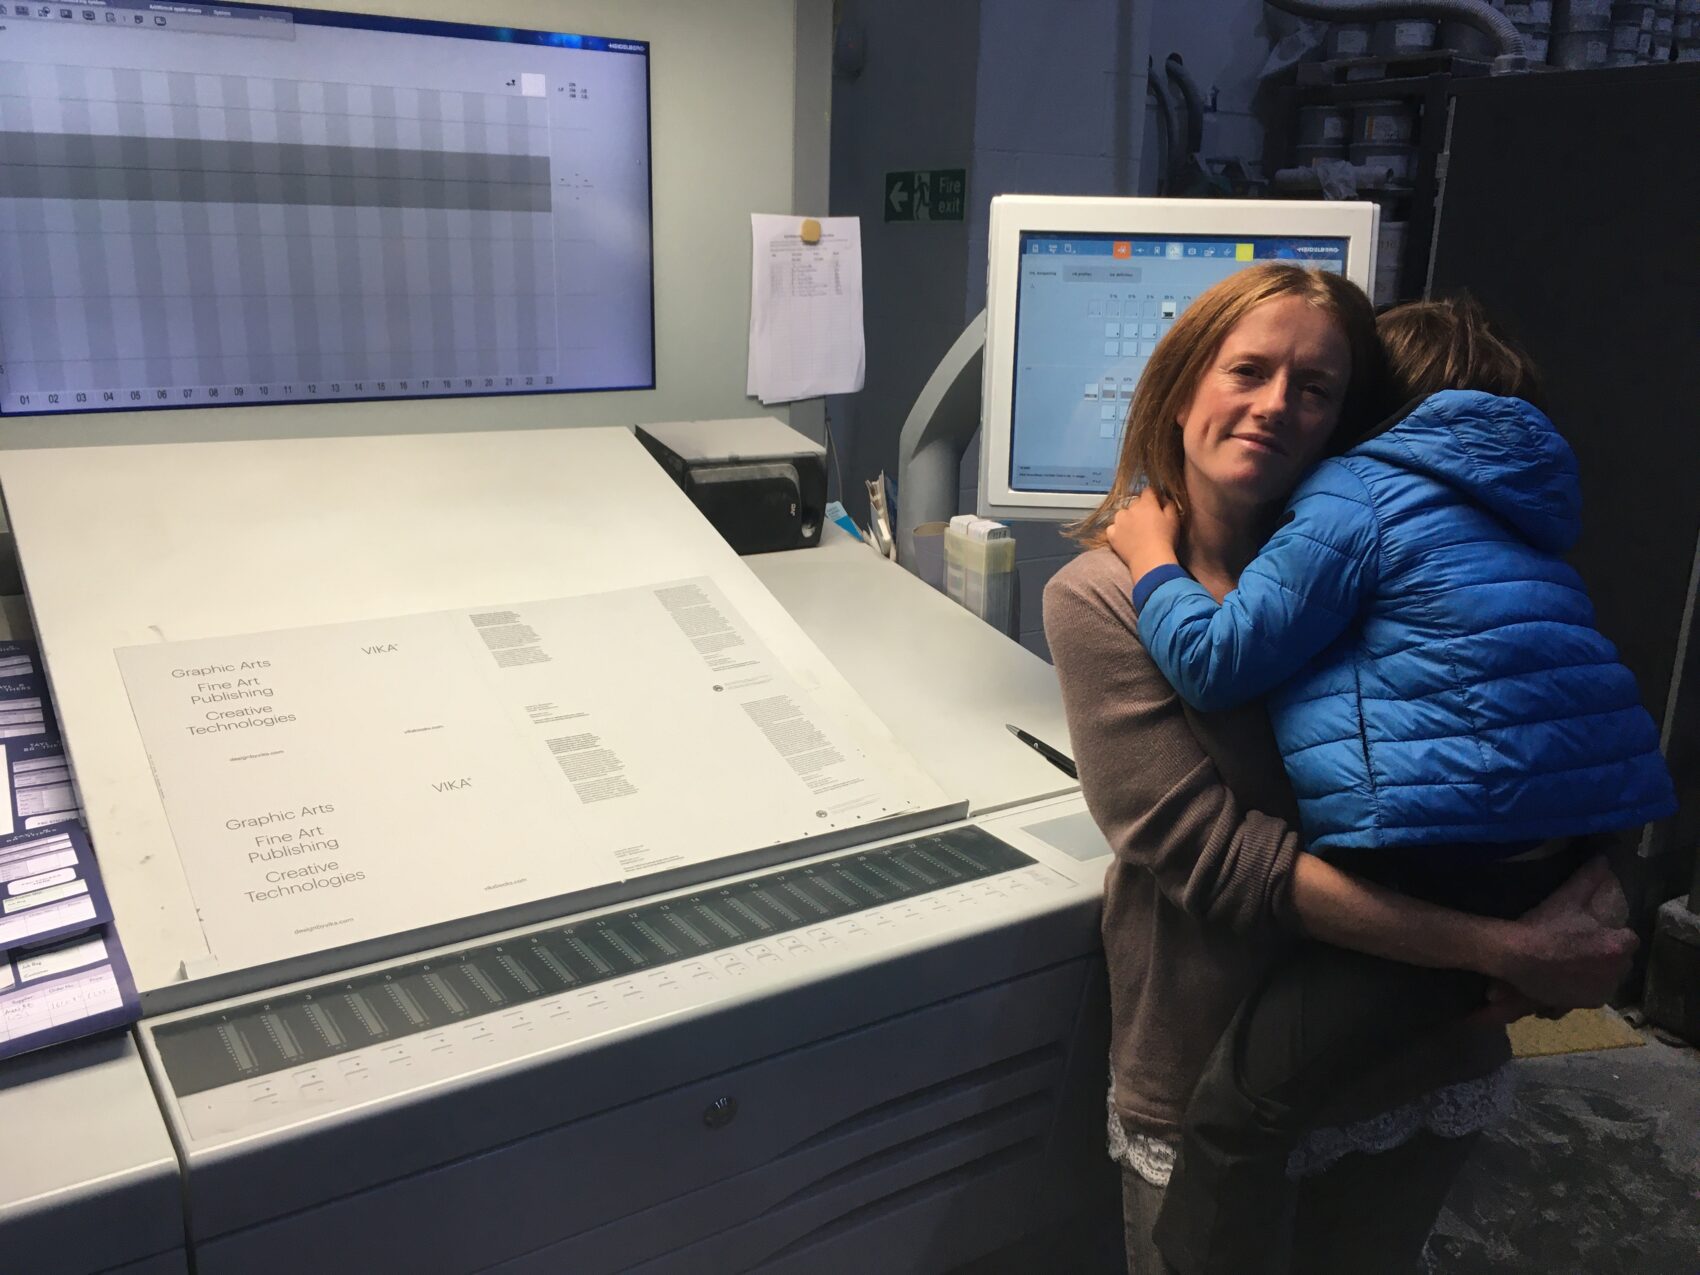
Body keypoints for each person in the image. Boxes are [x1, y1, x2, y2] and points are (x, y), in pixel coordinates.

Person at [1042, 265, 1641, 1275]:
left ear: (1344, 417)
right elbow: (1217, 859)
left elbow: (1548, 733)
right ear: (1179, 388)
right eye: (1246, 370)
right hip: (1215, 1061)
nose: (1275, 405)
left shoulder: (1380, 553)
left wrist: (1590, 902)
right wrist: (1502, 945)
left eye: (1314, 387)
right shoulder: (1099, 597)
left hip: (1414, 1063)